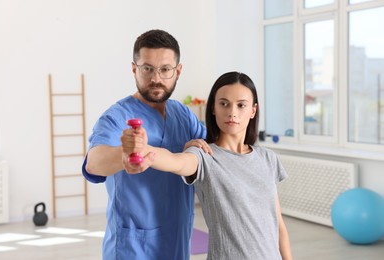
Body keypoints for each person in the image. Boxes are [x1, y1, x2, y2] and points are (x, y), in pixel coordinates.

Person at [122, 71, 293, 260]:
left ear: (253, 110)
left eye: (241, 105)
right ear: (213, 108)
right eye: (224, 104)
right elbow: (175, 161)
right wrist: (144, 149)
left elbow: (278, 225)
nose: (232, 112)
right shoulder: (204, 155)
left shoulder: (268, 158)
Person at [82, 29, 208, 260]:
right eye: (147, 68)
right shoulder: (116, 117)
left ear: (178, 71)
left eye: (165, 69)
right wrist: (124, 155)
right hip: (134, 249)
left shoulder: (183, 114)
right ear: (134, 69)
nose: (156, 78)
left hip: (177, 244)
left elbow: (210, 150)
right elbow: (94, 163)